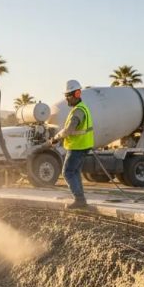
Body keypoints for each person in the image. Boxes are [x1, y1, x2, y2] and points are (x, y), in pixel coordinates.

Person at [51, 79, 94, 209]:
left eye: (67, 96)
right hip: (81, 145)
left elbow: (69, 129)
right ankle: (81, 200)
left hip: (78, 147)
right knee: (74, 172)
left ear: (75, 95)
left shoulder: (78, 111)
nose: (66, 100)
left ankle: (79, 200)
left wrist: (56, 138)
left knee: (68, 172)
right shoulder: (81, 108)